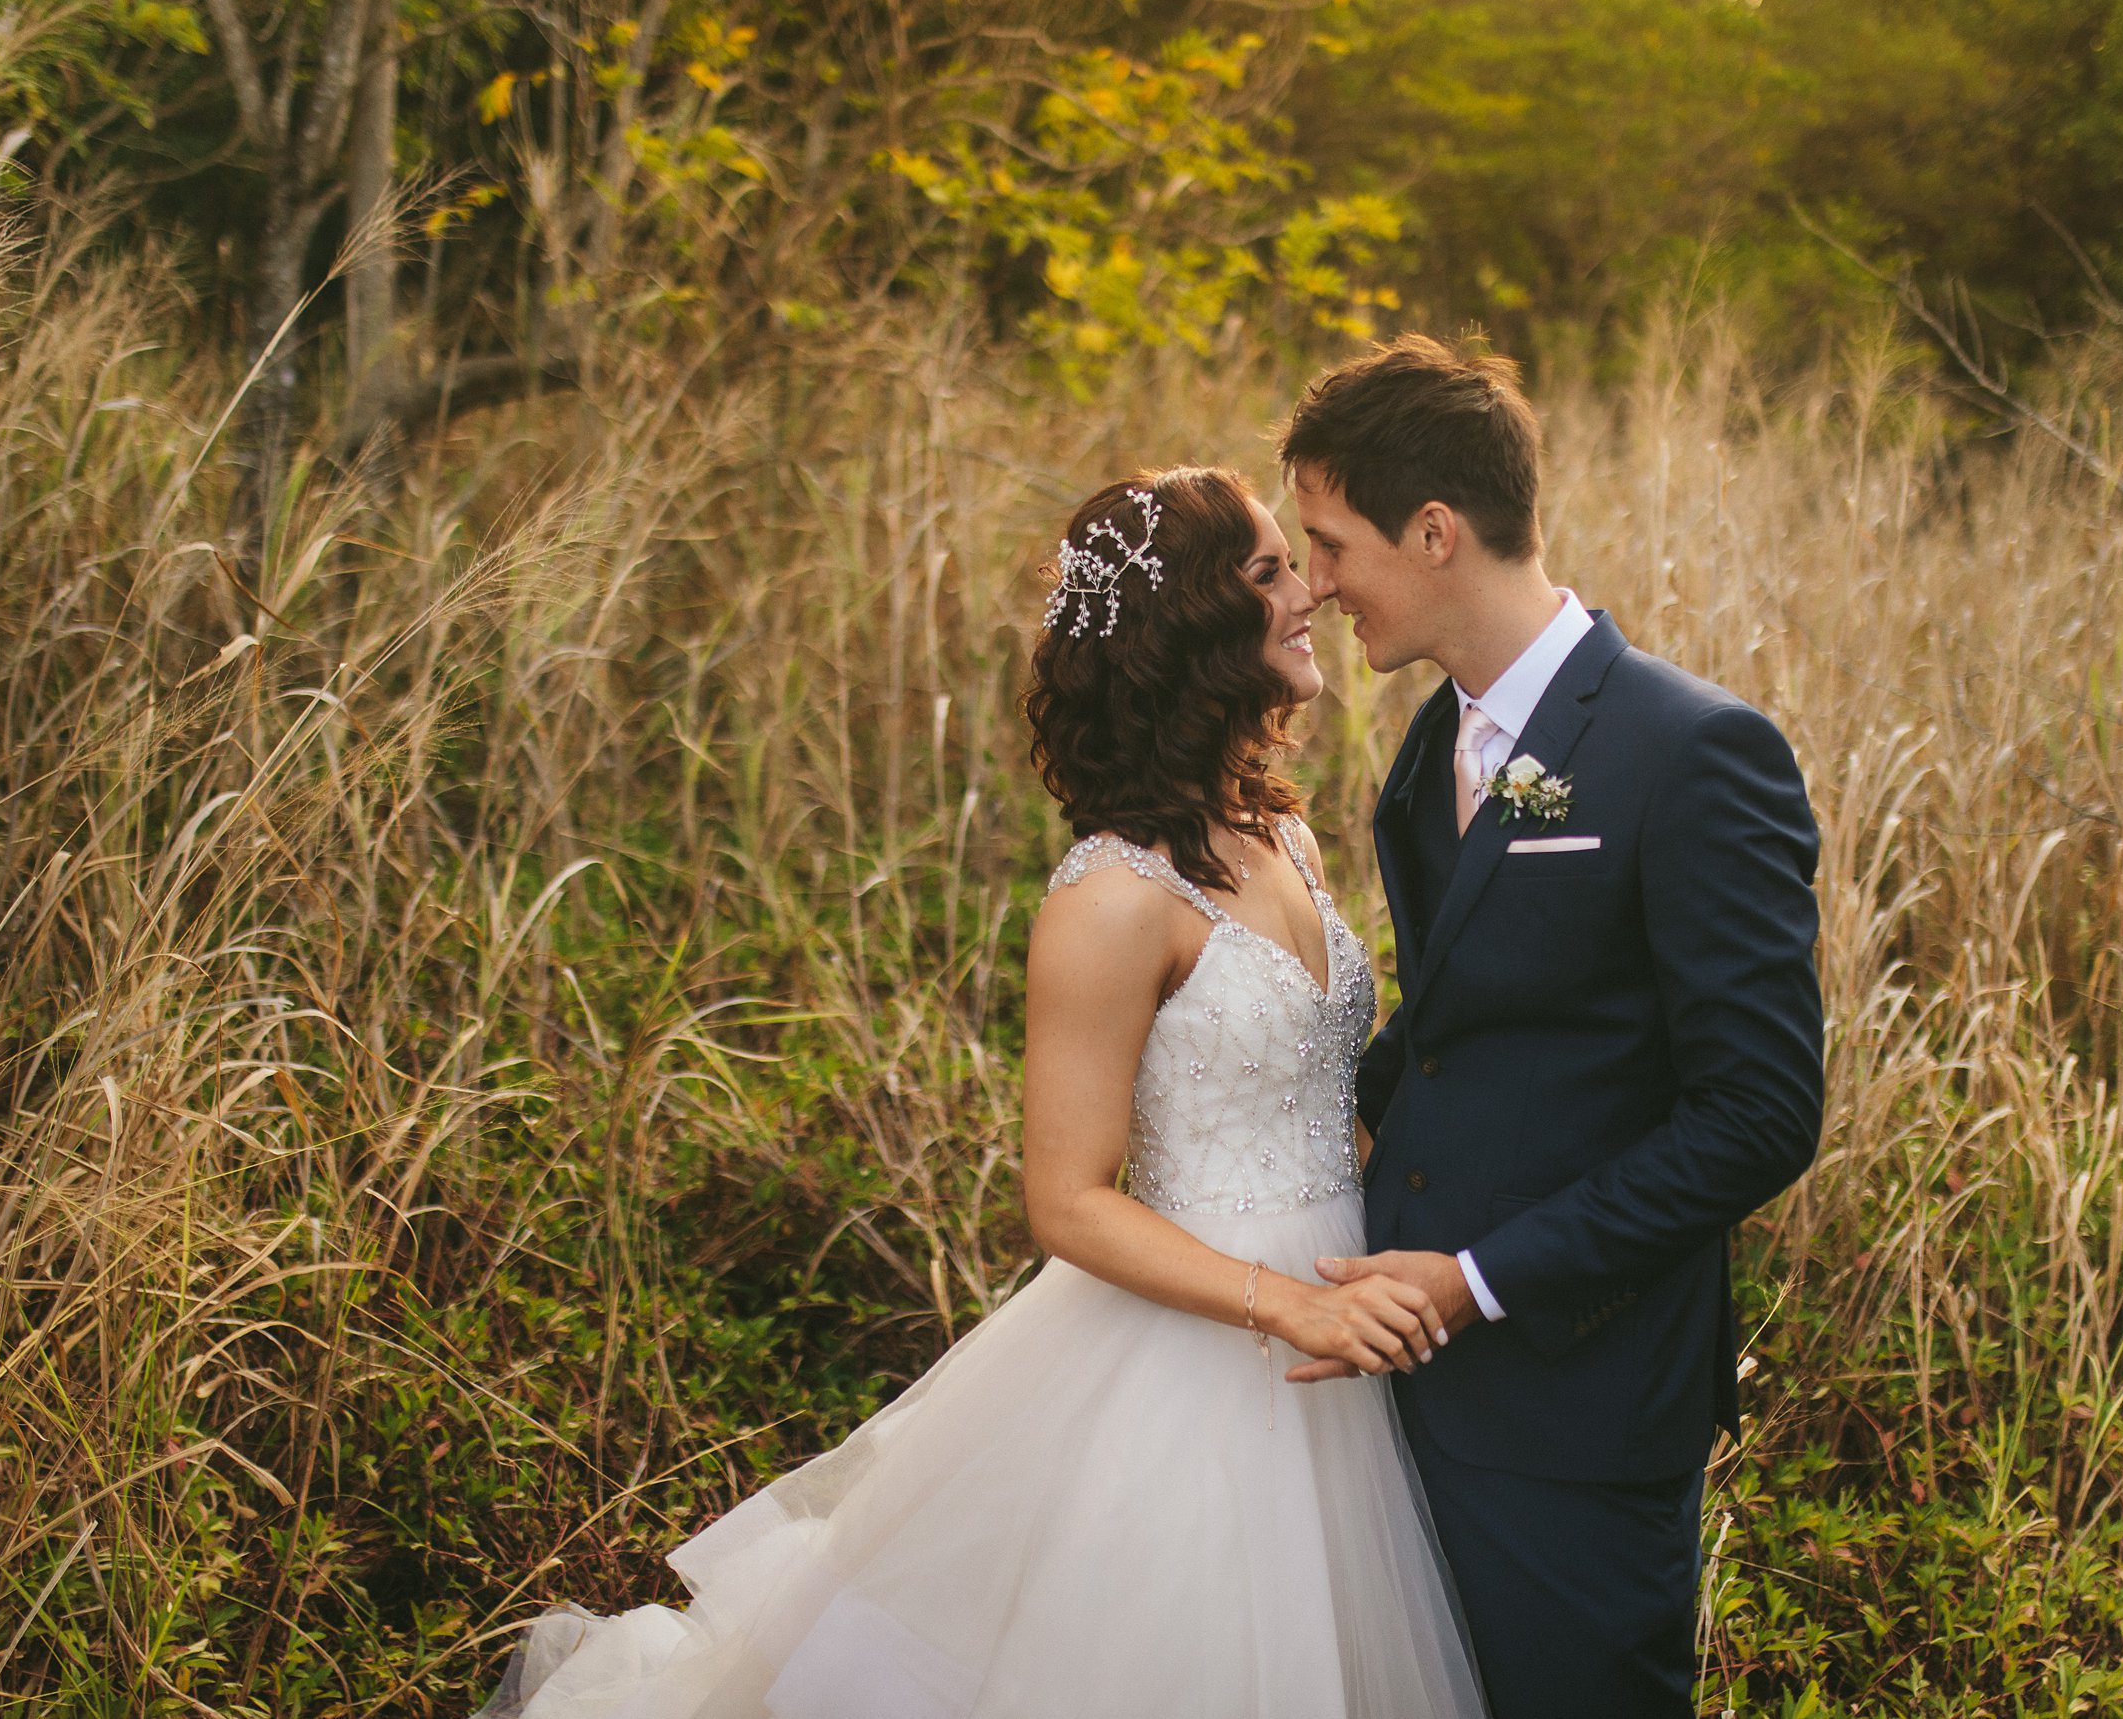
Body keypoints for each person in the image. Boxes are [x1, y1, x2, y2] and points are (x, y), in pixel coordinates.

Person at [474, 465, 1491, 1719]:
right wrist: (1282, 1305)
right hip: (1202, 1349)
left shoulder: (1286, 835)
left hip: (1346, 1321)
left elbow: (1323, 1097)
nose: (1313, 594)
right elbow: (1065, 1200)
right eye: (1273, 572)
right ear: (1191, 623)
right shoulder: (1110, 899)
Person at [1274, 333, 1828, 1718]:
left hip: (1574, 1398)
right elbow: (1462, 1029)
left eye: (1330, 541)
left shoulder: (1692, 751)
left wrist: (1482, 1276)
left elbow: (1760, 1110)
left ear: (1436, 529)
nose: (1318, 581)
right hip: (1396, 1377)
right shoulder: (1426, 752)